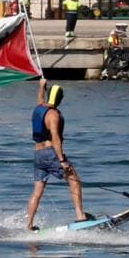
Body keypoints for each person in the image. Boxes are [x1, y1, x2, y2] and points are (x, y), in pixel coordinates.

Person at [26, 76, 90, 230]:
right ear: (60, 98)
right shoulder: (53, 115)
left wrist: (41, 85)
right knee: (74, 180)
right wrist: (62, 160)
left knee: (37, 191)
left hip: (38, 155)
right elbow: (55, 138)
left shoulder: (40, 107)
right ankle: (80, 215)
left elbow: (40, 98)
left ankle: (28, 225)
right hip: (50, 154)